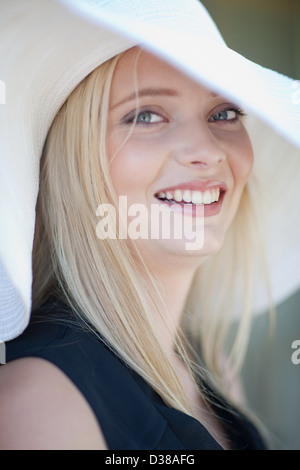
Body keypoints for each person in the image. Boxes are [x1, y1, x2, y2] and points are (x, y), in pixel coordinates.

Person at [0, 0, 299, 450]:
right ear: (74, 162)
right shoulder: (43, 400)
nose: (209, 150)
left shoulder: (213, 373)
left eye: (224, 114)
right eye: (146, 115)